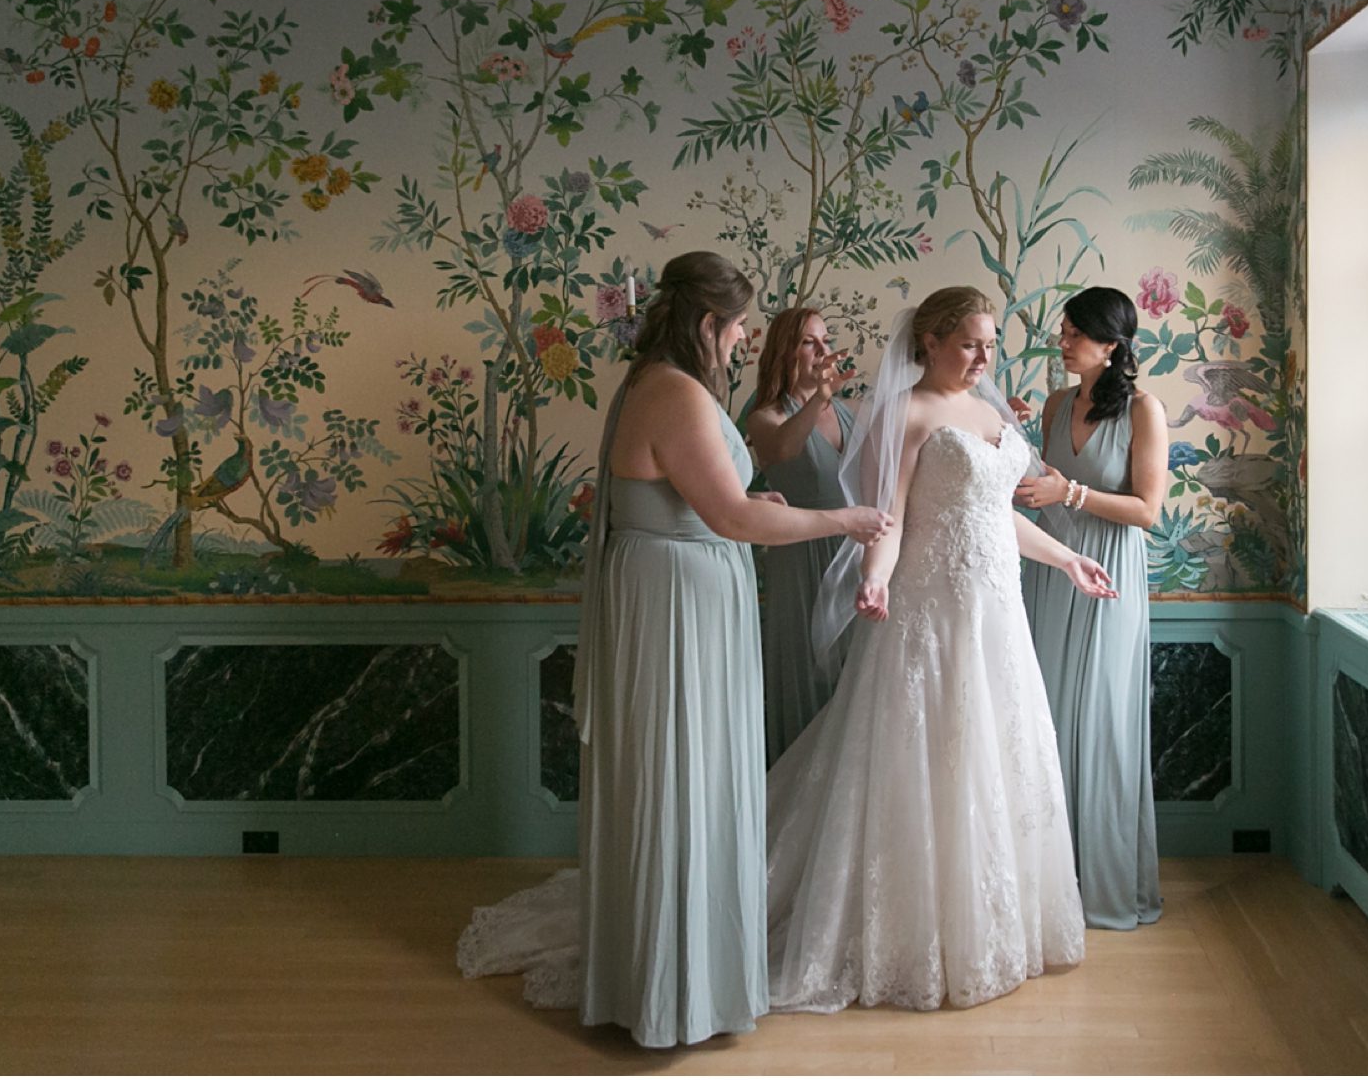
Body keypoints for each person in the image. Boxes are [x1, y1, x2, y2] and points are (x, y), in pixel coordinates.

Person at [456, 251, 892, 1050]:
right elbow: (731, 520)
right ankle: (673, 989)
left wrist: (743, 501)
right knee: (681, 778)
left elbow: (696, 499)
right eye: (736, 328)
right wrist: (842, 521)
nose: (741, 341)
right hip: (675, 614)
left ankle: (676, 972)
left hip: (679, 594)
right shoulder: (676, 391)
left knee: (685, 777)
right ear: (705, 324)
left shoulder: (656, 383)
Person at [761, 286, 1114, 1013]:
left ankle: (993, 930)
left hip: (995, 616)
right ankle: (912, 938)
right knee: (927, 756)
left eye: (989, 343)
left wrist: (1066, 560)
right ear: (928, 342)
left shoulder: (990, 413)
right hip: (928, 609)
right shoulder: (905, 412)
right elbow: (888, 519)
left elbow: (996, 517)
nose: (984, 356)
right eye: (969, 344)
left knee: (995, 753)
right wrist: (874, 578)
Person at [1014, 286, 1168, 931]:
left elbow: (1146, 511)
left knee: (1101, 721)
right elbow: (1037, 490)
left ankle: (1104, 885)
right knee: (1043, 715)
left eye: (1076, 333)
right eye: (1065, 330)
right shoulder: (1053, 404)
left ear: (1111, 345)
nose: (1063, 341)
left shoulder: (1142, 411)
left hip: (1108, 576)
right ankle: (1046, 881)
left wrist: (1070, 491)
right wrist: (1014, 450)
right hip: (1050, 571)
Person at [745, 307, 858, 763]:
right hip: (799, 553)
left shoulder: (850, 413)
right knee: (807, 671)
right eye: (811, 342)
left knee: (852, 677)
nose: (823, 351)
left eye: (826, 340)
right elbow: (782, 449)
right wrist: (816, 399)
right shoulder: (764, 416)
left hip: (852, 552)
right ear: (786, 350)